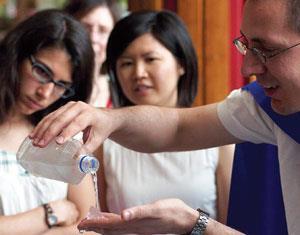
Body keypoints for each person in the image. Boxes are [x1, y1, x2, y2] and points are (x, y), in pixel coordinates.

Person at [29, 0, 300, 234]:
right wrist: (108, 119)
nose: (248, 67)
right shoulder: (265, 106)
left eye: (268, 50)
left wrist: (193, 223)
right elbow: (178, 128)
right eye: (246, 46)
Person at [98, 9, 233, 225]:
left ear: (181, 64)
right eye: (126, 63)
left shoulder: (218, 138)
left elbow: (231, 226)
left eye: (150, 59)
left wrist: (193, 225)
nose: (138, 73)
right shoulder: (105, 142)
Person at [0, 9, 97, 235]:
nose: (45, 92)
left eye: (62, 84)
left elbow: (90, 228)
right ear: (16, 55)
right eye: (42, 71)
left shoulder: (66, 136)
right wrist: (49, 213)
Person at [64, 0, 121, 108]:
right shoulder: (51, 85)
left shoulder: (121, 90)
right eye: (85, 27)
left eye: (103, 31)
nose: (93, 38)